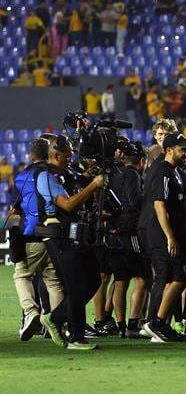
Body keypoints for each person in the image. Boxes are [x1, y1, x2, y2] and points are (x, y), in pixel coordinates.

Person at [35, 135, 106, 350]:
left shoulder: (64, 174)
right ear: (56, 155)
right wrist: (93, 185)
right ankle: (76, 336)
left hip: (73, 235)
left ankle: (55, 318)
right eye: (67, 156)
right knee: (75, 285)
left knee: (93, 279)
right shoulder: (46, 176)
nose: (70, 159)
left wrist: (87, 176)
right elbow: (66, 205)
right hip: (58, 237)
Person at [143, 134, 186, 343]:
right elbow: (159, 205)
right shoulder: (163, 171)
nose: (185, 153)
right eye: (182, 149)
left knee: (178, 278)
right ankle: (155, 323)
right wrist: (170, 237)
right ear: (170, 149)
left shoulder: (174, 171)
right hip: (160, 232)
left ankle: (161, 323)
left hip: (168, 232)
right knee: (170, 277)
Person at [12, 138, 64, 341]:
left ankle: (31, 311)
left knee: (22, 275)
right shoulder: (55, 173)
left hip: (32, 234)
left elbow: (19, 206)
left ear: (30, 155)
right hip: (54, 234)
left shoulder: (21, 177)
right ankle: (59, 324)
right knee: (54, 281)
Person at [104, 142, 148, 338]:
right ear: (142, 161)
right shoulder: (132, 175)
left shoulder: (115, 175)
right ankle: (132, 324)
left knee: (120, 279)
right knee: (143, 279)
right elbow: (133, 201)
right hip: (129, 232)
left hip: (113, 231)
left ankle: (121, 326)